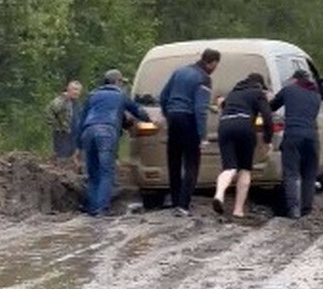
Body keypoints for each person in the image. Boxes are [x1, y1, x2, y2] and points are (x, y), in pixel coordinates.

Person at [75, 69, 151, 216]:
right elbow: (139, 112)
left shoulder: (92, 95)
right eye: (121, 82)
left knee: (93, 172)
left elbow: (81, 121)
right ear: (117, 82)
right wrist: (151, 119)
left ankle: (91, 207)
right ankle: (102, 209)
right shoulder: (120, 95)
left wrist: (78, 147)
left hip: (88, 132)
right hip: (106, 133)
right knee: (106, 172)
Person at [159, 48, 221, 217]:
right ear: (213, 62)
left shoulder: (180, 71)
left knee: (174, 161)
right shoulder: (204, 78)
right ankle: (183, 205)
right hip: (189, 120)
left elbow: (163, 96)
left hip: (173, 117)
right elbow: (200, 109)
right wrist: (202, 135)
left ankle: (175, 200)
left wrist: (168, 114)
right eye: (216, 65)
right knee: (192, 163)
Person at [212, 73, 273, 218]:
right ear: (259, 85)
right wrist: (267, 139)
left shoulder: (233, 93)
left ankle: (219, 194)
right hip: (245, 125)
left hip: (225, 125)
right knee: (245, 169)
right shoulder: (257, 92)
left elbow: (222, 106)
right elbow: (267, 115)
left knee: (230, 167)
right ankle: (238, 210)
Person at [269, 69, 322, 218]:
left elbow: (271, 107)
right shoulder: (316, 96)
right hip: (312, 137)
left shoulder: (289, 90)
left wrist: (269, 98)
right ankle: (307, 210)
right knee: (309, 175)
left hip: (293, 135)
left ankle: (293, 210)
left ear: (295, 80)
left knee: (291, 173)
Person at [46, 81, 83, 158]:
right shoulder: (60, 101)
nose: (76, 92)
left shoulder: (77, 103)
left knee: (73, 158)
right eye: (74, 89)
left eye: (78, 90)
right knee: (62, 157)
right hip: (62, 135)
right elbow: (49, 113)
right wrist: (58, 126)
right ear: (68, 89)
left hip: (74, 135)